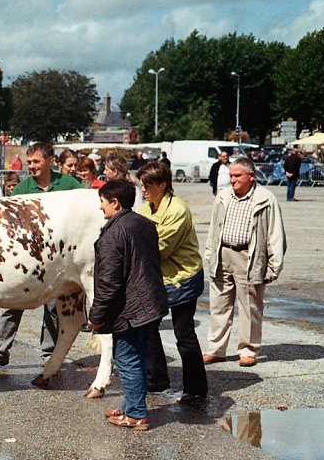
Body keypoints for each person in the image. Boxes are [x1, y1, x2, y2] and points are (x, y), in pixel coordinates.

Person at [0, 142, 81, 371]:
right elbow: (7, 222)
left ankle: (49, 355)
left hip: (58, 260)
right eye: (29, 162)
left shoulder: (70, 185)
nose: (31, 166)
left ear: (50, 161)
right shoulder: (23, 189)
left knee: (54, 306)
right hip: (26, 261)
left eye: (36, 162)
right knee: (12, 303)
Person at [88, 179, 168, 431]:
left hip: (132, 308)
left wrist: (96, 315)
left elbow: (109, 281)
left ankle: (135, 413)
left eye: (102, 202)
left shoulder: (113, 233)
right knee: (136, 357)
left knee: (127, 359)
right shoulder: (143, 223)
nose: (100, 208)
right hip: (151, 301)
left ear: (115, 202)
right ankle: (129, 405)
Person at [135, 161, 208, 405]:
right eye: (141, 185)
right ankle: (156, 382)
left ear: (163, 185)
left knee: (183, 333)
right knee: (147, 328)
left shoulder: (177, 210)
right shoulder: (146, 209)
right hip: (156, 278)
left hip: (182, 278)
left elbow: (159, 249)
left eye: (147, 185)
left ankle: (196, 389)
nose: (143, 190)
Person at [202, 156, 286, 368]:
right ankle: (216, 349)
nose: (233, 180)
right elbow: (214, 228)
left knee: (250, 307)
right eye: (231, 175)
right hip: (223, 255)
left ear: (251, 176)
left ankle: (248, 350)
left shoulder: (265, 199)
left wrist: (274, 265)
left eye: (237, 176)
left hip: (248, 258)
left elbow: (276, 234)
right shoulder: (223, 196)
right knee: (219, 305)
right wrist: (210, 253)